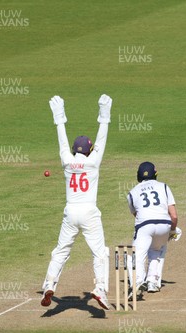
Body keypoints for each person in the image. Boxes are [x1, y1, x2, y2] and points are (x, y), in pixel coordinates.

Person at [41, 94, 113, 310]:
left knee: (61, 251)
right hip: (89, 211)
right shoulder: (93, 162)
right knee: (100, 253)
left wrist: (59, 117)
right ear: (89, 151)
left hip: (70, 211)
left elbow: (62, 141)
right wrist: (104, 115)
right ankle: (100, 288)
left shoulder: (67, 161)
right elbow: (102, 140)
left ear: (74, 150)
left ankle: (48, 285)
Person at [126, 162, 180, 298]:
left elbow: (137, 215)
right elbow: (173, 215)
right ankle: (153, 282)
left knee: (135, 255)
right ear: (155, 174)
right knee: (156, 249)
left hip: (145, 226)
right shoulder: (164, 187)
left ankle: (138, 282)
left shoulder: (132, 193)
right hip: (164, 225)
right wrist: (172, 231)